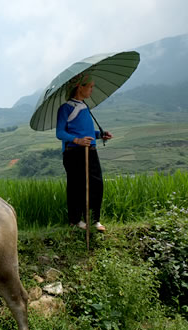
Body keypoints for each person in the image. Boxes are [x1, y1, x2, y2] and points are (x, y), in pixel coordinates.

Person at [56, 73, 112, 232]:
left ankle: (94, 220)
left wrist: (100, 135)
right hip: (73, 152)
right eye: (90, 86)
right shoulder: (66, 108)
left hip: (91, 150)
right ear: (80, 87)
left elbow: (85, 131)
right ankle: (75, 220)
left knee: (97, 185)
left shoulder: (86, 107)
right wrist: (77, 140)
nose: (92, 90)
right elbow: (60, 133)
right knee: (77, 186)